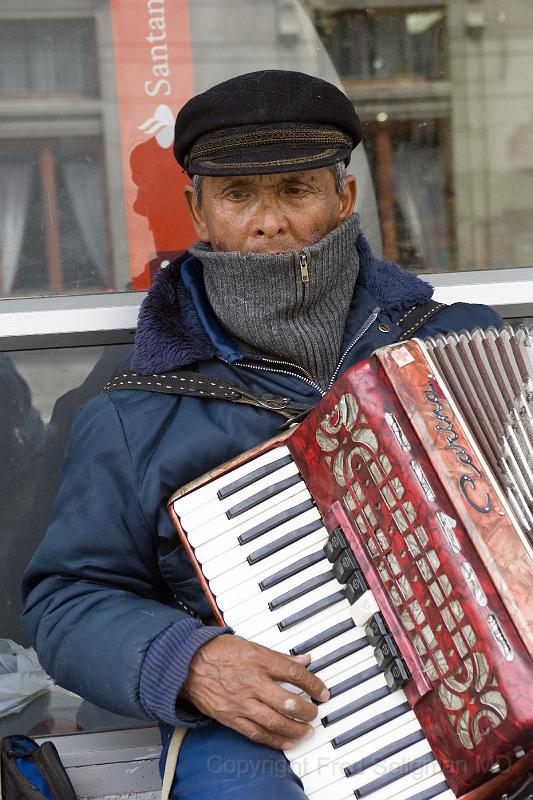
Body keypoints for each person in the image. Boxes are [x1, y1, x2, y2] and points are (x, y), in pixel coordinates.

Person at [21, 71, 501, 799]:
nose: (268, 222)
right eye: (239, 195)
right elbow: (67, 597)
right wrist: (188, 661)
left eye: (295, 189)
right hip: (269, 728)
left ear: (343, 199)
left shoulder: (453, 345)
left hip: (491, 685)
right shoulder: (133, 409)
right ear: (199, 211)